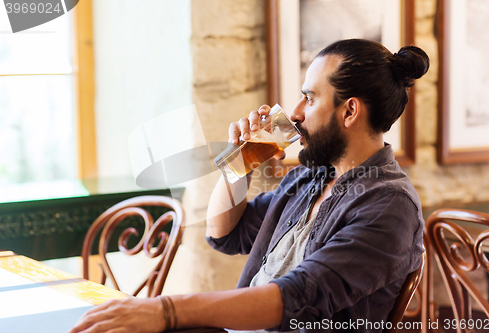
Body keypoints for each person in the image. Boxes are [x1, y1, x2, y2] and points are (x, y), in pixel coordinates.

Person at [68, 39, 429, 333]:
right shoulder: (312, 176)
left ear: (350, 111)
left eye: (311, 97)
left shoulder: (389, 206)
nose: (296, 111)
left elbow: (298, 296)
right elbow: (224, 233)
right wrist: (239, 164)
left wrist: (167, 310)